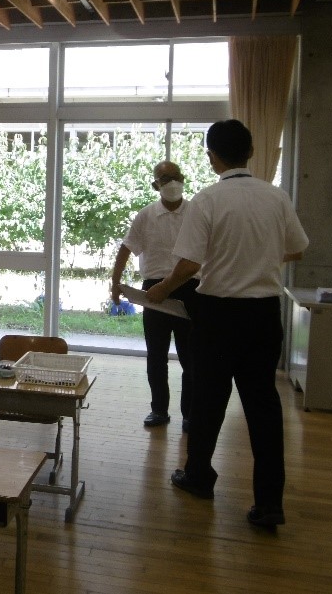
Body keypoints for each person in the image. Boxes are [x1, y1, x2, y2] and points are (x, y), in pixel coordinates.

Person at [146, 119, 308, 529]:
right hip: (263, 314)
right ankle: (269, 503)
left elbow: (190, 264)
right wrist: (260, 257)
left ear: (211, 156)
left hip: (217, 314)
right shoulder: (276, 198)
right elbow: (297, 250)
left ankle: (199, 476)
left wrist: (163, 288)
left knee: (208, 400)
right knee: (264, 407)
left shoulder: (207, 200)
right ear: (251, 152)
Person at [110, 160, 197, 431]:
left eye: (176, 176)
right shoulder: (146, 216)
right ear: (155, 185)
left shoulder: (197, 212)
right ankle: (159, 409)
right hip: (154, 290)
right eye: (164, 178)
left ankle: (190, 414)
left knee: (190, 357)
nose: (172, 182)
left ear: (183, 178)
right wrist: (115, 282)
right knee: (156, 355)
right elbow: (126, 248)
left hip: (190, 289)